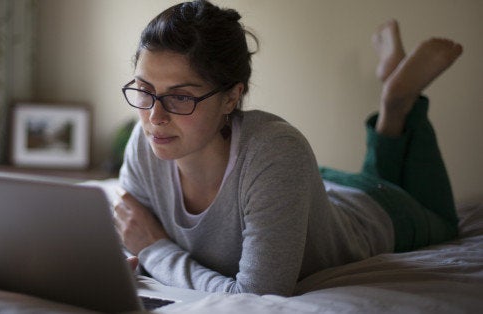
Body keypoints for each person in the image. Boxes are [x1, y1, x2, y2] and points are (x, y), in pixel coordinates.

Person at [113, 0, 463, 296]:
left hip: (382, 210)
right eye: (144, 90)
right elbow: (131, 237)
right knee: (372, 176)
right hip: (320, 187)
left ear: (231, 98)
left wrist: (155, 251)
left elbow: (257, 298)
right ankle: (392, 89)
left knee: (446, 222)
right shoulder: (145, 142)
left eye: (180, 97)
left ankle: (399, 100)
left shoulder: (276, 151)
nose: (154, 116)